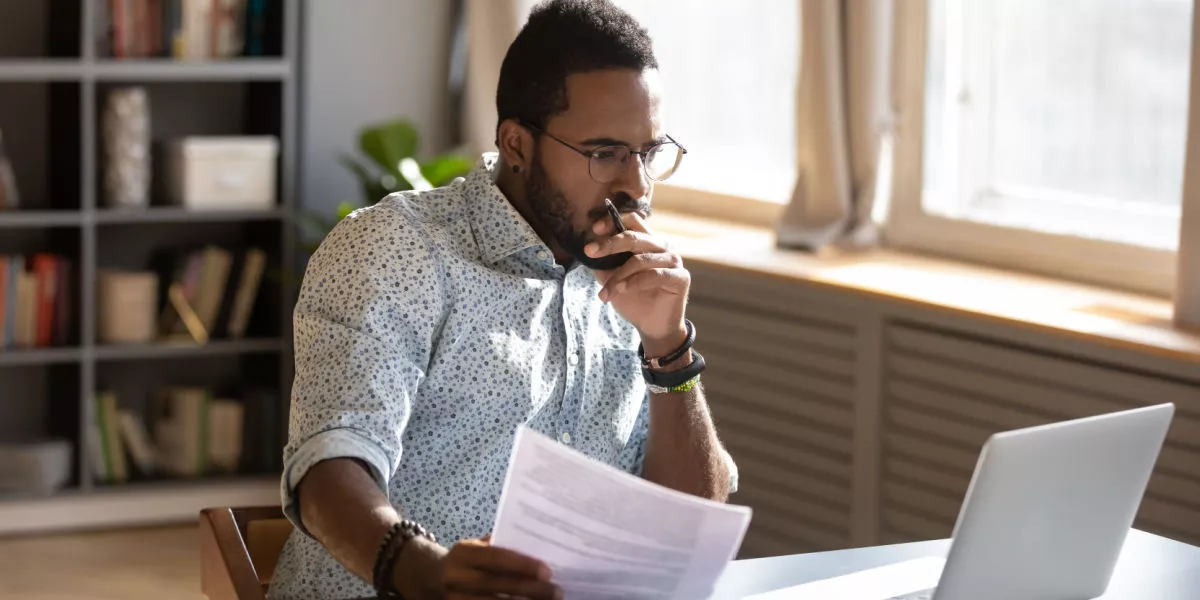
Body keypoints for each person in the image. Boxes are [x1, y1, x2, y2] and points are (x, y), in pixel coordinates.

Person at [269, 1, 737, 598]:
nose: (635, 186)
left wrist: (668, 347)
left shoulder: (633, 282)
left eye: (646, 153)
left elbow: (688, 527)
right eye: (604, 154)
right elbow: (329, 462)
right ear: (517, 144)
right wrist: (422, 572)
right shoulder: (396, 249)